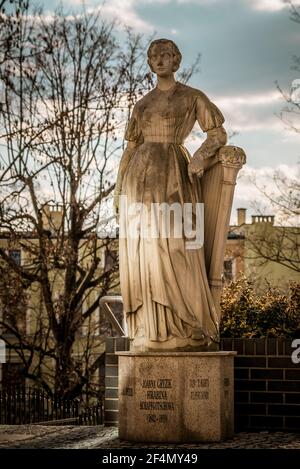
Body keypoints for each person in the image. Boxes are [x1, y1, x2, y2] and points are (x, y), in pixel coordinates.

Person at [114, 38, 227, 351]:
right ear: (150, 63)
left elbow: (217, 134)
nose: (160, 60)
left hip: (174, 175)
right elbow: (131, 146)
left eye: (166, 55)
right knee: (145, 252)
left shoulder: (191, 97)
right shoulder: (142, 105)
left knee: (177, 246)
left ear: (176, 61)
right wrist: (119, 190)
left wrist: (202, 158)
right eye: (154, 56)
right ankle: (151, 328)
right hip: (139, 178)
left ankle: (188, 322)